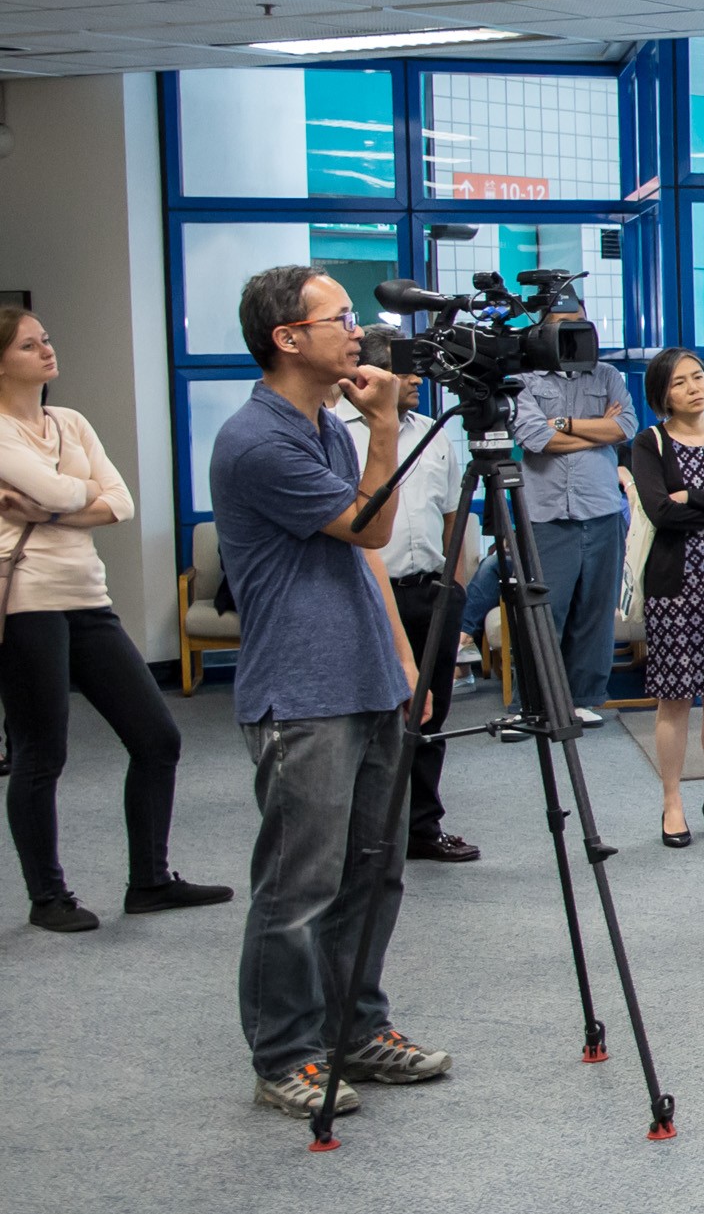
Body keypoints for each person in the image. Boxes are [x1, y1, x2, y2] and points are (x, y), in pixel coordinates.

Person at [212, 266, 447, 1119]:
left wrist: (403, 659)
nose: (357, 331)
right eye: (339, 317)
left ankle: (356, 1028)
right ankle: (284, 1053)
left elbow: (361, 556)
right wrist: (384, 425)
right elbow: (372, 523)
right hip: (302, 692)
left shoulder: (324, 429)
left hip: (366, 675)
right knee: (298, 886)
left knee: (373, 875)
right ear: (287, 338)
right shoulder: (257, 440)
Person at [1, 305, 216, 932]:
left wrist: (47, 509)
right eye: (28, 345)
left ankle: (150, 882)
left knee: (157, 738)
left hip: (87, 596)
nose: (46, 350)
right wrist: (73, 497)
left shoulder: (69, 421)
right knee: (42, 752)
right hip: (26, 603)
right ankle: (48, 897)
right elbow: (73, 492)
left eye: (46, 339)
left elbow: (120, 501)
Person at [341, 379, 479, 867]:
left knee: (430, 716)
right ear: (366, 376)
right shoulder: (336, 431)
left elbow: (452, 515)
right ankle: (367, 834)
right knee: (372, 720)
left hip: (432, 592)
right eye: (401, 369)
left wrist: (455, 587)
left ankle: (423, 827)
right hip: (368, 595)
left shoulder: (434, 433)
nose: (417, 378)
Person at [626, 347, 704, 851]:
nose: (694, 387)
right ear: (663, 394)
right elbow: (659, 512)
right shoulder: (649, 442)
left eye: (698, 377)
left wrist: (692, 499)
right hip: (673, 589)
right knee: (674, 698)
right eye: (680, 382)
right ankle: (672, 801)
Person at [502, 292, 633, 728]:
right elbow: (535, 439)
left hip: (602, 510)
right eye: (560, 323)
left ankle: (583, 698)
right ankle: (534, 704)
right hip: (546, 514)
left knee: (595, 612)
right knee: (544, 612)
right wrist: (597, 430)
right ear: (541, 331)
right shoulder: (522, 381)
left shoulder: (608, 374)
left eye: (578, 321)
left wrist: (563, 424)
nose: (571, 331)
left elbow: (626, 427)